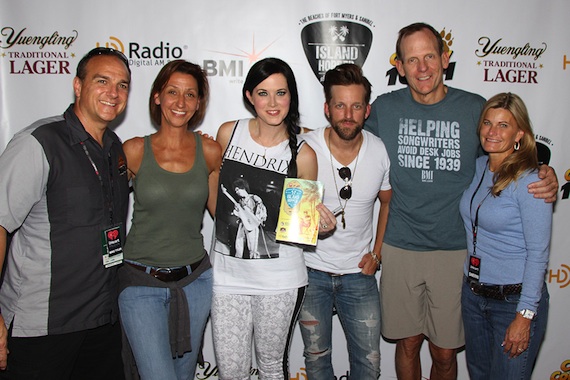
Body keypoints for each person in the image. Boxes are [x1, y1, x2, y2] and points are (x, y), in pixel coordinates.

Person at [364, 22, 559, 380]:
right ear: (400, 66)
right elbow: (344, 141)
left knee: (444, 351)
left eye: (429, 57)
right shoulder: (383, 108)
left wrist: (543, 171)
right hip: (401, 246)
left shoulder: (474, 108)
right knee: (406, 344)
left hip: (457, 252)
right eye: (412, 60)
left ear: (445, 58)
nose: (422, 68)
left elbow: (507, 147)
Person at [0, 47, 131, 379]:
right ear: (77, 86)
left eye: (123, 85)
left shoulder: (115, 147)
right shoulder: (39, 142)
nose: (113, 93)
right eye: (102, 81)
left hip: (101, 320)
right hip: (41, 326)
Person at [210, 57, 335, 379]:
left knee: (270, 368)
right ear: (249, 95)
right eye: (263, 93)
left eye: (281, 93)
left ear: (291, 96)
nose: (273, 102)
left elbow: (301, 225)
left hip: (280, 281)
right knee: (230, 371)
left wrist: (321, 225)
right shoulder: (228, 133)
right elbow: (213, 195)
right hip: (227, 278)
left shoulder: (303, 153)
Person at [117, 60, 221, 380]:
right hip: (140, 283)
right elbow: (105, 210)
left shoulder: (210, 151)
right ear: (158, 96)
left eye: (190, 95)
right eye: (173, 92)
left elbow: (224, 215)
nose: (181, 102)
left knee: (184, 374)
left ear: (199, 103)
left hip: (196, 283)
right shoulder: (133, 150)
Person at [299, 64, 391, 379]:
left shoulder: (379, 150)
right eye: (340, 105)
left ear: (367, 110)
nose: (347, 114)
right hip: (312, 275)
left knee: (369, 365)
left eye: (355, 106)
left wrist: (377, 253)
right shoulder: (305, 149)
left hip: (359, 277)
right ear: (327, 109)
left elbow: (387, 202)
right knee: (316, 361)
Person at [460, 93, 551, 379]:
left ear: (519, 134)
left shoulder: (531, 181)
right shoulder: (478, 168)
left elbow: (538, 254)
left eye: (503, 125)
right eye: (488, 123)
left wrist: (524, 316)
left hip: (512, 303)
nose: (492, 131)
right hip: (474, 297)